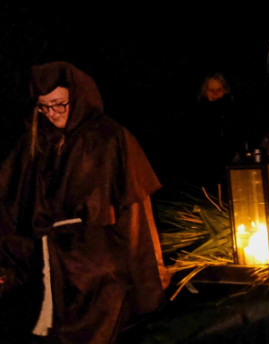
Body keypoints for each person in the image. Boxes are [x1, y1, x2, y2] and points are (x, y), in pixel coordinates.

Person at [0, 62, 170, 343]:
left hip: (100, 276)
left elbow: (137, 216)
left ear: (77, 97)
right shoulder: (35, 142)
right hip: (52, 275)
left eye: (59, 104)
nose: (52, 113)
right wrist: (8, 267)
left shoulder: (110, 139)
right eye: (43, 106)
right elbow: (11, 208)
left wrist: (153, 273)